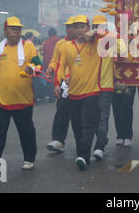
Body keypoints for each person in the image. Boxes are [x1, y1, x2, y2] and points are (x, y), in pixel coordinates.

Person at [0, 17, 41, 175]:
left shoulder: (28, 46)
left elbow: (38, 65)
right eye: (13, 28)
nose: (16, 31)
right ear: (5, 31)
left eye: (18, 29)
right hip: (1, 99)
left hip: (23, 99)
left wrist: (32, 68)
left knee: (26, 131)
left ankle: (29, 158)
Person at [54, 15, 100, 171]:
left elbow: (113, 37)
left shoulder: (96, 44)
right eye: (77, 27)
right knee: (77, 127)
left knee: (89, 125)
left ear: (88, 27)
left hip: (92, 92)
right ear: (72, 29)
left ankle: (83, 156)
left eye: (83, 26)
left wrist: (95, 32)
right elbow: (61, 66)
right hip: (73, 93)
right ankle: (83, 155)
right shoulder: (66, 47)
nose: (80, 30)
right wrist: (57, 83)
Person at [46, 17, 79, 153]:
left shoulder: (84, 44)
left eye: (72, 27)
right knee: (62, 110)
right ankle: (58, 140)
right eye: (67, 27)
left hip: (81, 83)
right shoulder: (60, 44)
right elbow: (56, 60)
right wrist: (51, 67)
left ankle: (88, 144)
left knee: (81, 115)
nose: (69, 29)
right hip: (65, 83)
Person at [92, 15, 115, 160]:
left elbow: (123, 48)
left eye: (100, 27)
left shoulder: (111, 41)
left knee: (102, 118)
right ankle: (102, 139)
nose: (98, 29)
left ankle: (99, 146)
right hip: (89, 87)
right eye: (95, 27)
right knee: (91, 119)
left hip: (106, 86)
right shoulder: (87, 43)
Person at [42, 28, 61, 101]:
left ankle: (51, 96)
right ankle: (57, 94)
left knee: (50, 80)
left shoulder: (46, 42)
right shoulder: (59, 41)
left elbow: (44, 53)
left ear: (49, 34)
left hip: (47, 64)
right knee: (57, 79)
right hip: (57, 63)